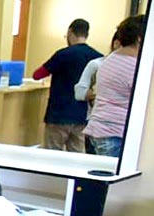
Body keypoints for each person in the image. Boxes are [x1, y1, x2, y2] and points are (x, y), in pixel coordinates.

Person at [33, 19, 102, 152]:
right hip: (81, 116)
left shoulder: (62, 55)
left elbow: (38, 75)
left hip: (58, 115)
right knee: (76, 157)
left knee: (52, 154)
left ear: (70, 32)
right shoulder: (97, 57)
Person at [84, 15, 147, 157]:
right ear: (139, 39)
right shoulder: (134, 66)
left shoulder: (110, 59)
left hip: (101, 129)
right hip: (115, 133)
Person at [74, 31, 120, 154]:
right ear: (116, 44)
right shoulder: (97, 64)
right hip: (98, 123)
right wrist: (99, 93)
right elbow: (79, 93)